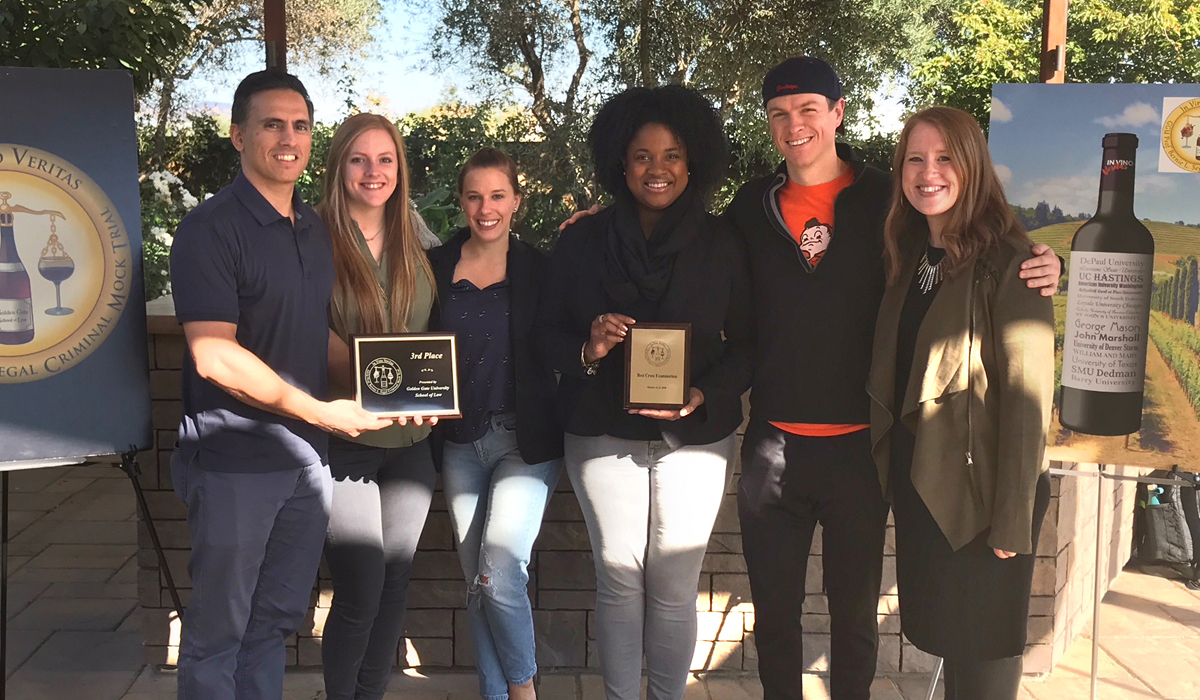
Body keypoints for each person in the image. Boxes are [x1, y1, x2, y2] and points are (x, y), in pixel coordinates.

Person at [721, 57, 1062, 700]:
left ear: (838, 113)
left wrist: (1049, 260)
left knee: (863, 620)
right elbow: (701, 260)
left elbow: (994, 269)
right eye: (780, 114)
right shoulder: (752, 208)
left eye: (809, 110)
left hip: (865, 453)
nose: (795, 126)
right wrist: (600, 222)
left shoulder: (887, 198)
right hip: (777, 448)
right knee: (779, 618)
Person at [168, 71, 392, 700]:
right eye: (272, 124)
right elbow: (214, 356)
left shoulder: (313, 230)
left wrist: (389, 386)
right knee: (219, 633)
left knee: (275, 624)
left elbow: (310, 331)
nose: (288, 138)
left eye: (299, 125)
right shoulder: (209, 229)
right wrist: (320, 411)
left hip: (305, 462)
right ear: (239, 135)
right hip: (236, 461)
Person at [532, 85, 754, 700]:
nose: (657, 169)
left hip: (696, 439)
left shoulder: (724, 242)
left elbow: (751, 344)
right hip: (601, 431)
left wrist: (705, 393)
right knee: (620, 580)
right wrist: (588, 348)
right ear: (619, 163)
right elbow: (544, 335)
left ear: (695, 161)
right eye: (642, 156)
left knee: (677, 588)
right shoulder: (581, 241)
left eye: (673, 155)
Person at [867, 106, 1054, 700]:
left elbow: (1029, 399)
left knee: (985, 658)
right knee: (950, 642)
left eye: (946, 157)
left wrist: (1013, 515)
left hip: (987, 497)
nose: (929, 173)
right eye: (915, 160)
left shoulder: (1013, 262)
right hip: (928, 485)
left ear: (973, 165)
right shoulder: (908, 256)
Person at [427, 147, 564, 700]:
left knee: (499, 572)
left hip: (524, 439)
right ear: (461, 201)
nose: (486, 208)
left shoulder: (542, 268)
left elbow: (566, 335)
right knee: (475, 584)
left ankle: (523, 690)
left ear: (517, 202)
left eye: (498, 195)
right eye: (475, 196)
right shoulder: (434, 267)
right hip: (459, 440)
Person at [317, 113, 442, 700]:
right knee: (362, 586)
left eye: (385, 159)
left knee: (394, 584)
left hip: (411, 447)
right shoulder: (311, 238)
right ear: (339, 166)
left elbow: (490, 248)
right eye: (359, 159)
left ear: (401, 167)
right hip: (347, 444)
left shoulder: (418, 234)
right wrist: (375, 382)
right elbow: (302, 334)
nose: (374, 171)